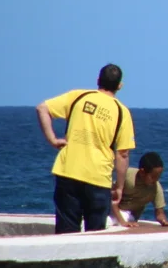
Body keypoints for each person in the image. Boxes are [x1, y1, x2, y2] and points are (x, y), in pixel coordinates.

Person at [36, 64, 135, 234]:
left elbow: (42, 108)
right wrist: (119, 187)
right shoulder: (121, 112)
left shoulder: (79, 96)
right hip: (98, 178)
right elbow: (123, 154)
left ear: (98, 80)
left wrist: (52, 139)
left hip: (68, 172)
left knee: (66, 232)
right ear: (119, 86)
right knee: (95, 235)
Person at [116, 152, 168, 226]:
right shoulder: (127, 177)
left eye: (158, 177)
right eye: (153, 177)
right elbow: (111, 200)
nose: (156, 180)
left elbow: (159, 213)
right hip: (114, 211)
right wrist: (122, 222)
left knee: (127, 217)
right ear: (142, 172)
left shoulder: (156, 188)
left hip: (129, 217)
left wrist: (164, 221)